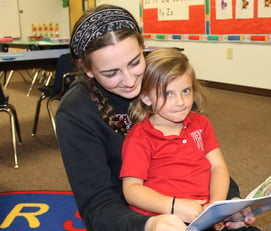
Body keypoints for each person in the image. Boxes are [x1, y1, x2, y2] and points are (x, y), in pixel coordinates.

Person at [56, 4, 257, 231]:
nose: (130, 80)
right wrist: (150, 224)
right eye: (111, 73)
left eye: (135, 62)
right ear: (88, 69)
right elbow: (98, 207)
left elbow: (204, 160)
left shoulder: (167, 81)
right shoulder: (75, 113)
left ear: (143, 47)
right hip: (132, 219)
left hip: (199, 206)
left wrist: (228, 204)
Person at [120, 48, 230, 225]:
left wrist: (216, 205)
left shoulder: (201, 124)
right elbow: (132, 190)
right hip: (164, 218)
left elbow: (218, 167)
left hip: (203, 213)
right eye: (168, 94)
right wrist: (174, 206)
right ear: (147, 98)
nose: (180, 102)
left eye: (186, 91)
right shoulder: (140, 137)